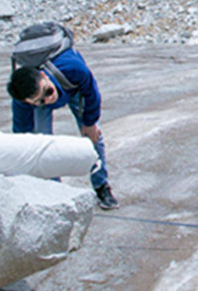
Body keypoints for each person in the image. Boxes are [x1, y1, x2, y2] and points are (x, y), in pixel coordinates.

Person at [7, 40, 119, 210]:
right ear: (28, 102)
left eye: (48, 91)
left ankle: (101, 186)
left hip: (73, 89)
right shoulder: (23, 101)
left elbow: (91, 93)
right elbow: (22, 135)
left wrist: (90, 123)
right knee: (41, 147)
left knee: (94, 137)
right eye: (40, 101)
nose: (48, 99)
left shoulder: (73, 68)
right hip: (54, 88)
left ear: (44, 76)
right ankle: (55, 192)